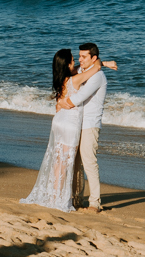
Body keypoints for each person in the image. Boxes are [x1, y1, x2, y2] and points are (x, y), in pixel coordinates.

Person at [19, 48, 104, 211]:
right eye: (73, 60)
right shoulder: (76, 80)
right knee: (65, 164)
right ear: (67, 64)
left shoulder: (61, 80)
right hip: (70, 125)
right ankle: (58, 199)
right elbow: (96, 68)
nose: (76, 63)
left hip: (58, 121)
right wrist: (99, 62)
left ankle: (53, 195)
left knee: (58, 162)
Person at [59, 42, 116, 212]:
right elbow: (70, 70)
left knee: (89, 162)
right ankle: (77, 199)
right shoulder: (84, 70)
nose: (79, 60)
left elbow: (79, 98)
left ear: (93, 58)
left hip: (90, 125)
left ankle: (94, 202)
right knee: (76, 163)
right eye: (79, 56)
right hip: (76, 123)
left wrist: (61, 103)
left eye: (84, 57)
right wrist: (103, 63)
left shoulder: (98, 77)